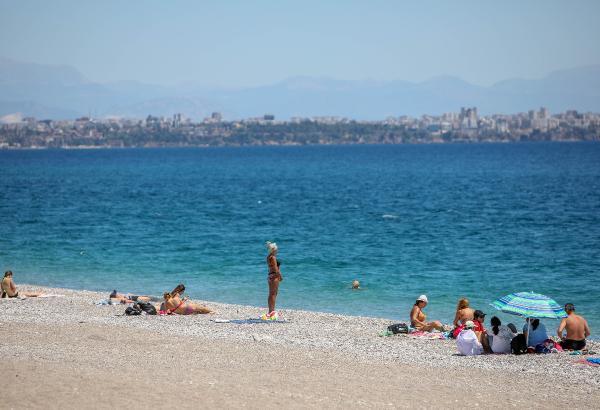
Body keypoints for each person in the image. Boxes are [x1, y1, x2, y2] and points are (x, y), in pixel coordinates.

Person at [265, 241, 282, 319]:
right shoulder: (273, 257)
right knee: (274, 294)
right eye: (277, 250)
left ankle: (270, 311)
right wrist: (280, 276)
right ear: (274, 250)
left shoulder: (268, 257)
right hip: (274, 276)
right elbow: (275, 268)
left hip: (270, 276)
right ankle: (272, 311)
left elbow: (271, 267)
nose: (277, 251)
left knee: (271, 294)